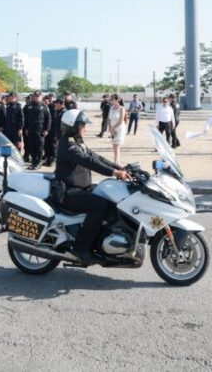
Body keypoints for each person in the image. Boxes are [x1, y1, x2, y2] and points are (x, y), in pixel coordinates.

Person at [54, 109, 131, 265]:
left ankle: (103, 242)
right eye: (82, 124)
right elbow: (87, 162)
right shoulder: (67, 145)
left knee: (112, 198)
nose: (85, 128)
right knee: (99, 206)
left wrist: (120, 168)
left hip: (83, 188)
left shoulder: (78, 142)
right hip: (69, 193)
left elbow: (96, 157)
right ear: (72, 126)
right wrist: (113, 172)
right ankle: (80, 249)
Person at [23, 91, 52, 170]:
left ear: (41, 97)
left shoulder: (44, 106)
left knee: (39, 148)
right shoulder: (29, 106)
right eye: (35, 96)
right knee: (32, 147)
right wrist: (26, 128)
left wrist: (47, 129)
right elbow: (26, 119)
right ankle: (33, 162)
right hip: (31, 130)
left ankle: (38, 163)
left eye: (38, 96)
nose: (36, 98)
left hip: (40, 131)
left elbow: (48, 119)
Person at [107, 94, 126, 165]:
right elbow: (109, 119)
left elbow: (121, 120)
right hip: (112, 128)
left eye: (112, 99)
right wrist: (110, 128)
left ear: (117, 100)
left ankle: (116, 162)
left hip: (119, 128)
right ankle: (116, 161)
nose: (111, 100)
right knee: (114, 145)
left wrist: (113, 128)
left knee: (117, 145)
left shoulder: (122, 108)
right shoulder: (111, 108)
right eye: (111, 99)